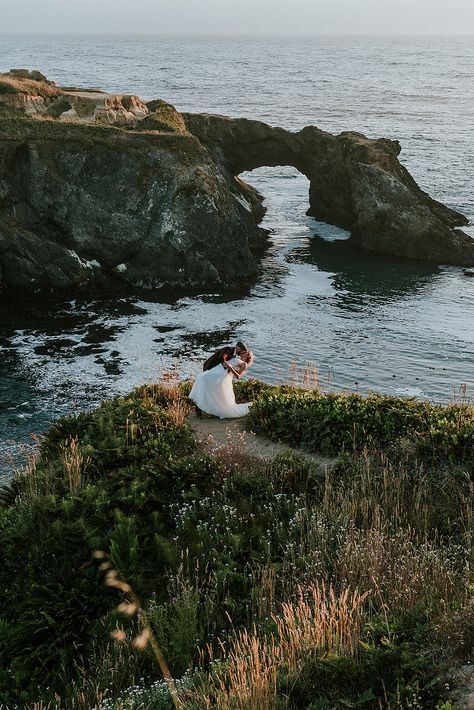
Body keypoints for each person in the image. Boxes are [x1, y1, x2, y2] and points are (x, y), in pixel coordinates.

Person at [190, 345, 253, 419]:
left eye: (245, 353)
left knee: (203, 381)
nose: (242, 353)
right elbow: (225, 362)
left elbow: (238, 376)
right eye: (243, 352)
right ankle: (199, 406)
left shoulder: (244, 364)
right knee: (206, 384)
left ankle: (201, 406)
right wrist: (228, 368)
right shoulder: (235, 357)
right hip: (219, 373)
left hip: (219, 375)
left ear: (247, 356)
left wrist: (230, 368)